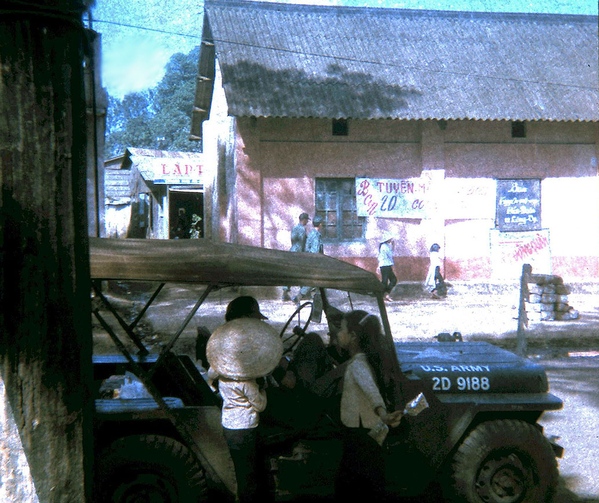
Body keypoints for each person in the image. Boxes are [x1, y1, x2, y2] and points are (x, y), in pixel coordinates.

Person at [334, 310, 403, 503]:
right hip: (364, 431)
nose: (338, 334)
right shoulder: (366, 360)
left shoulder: (358, 365)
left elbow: (371, 392)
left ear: (353, 336)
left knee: (353, 485)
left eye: (342, 329)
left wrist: (383, 414)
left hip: (359, 433)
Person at [295, 215, 324, 303]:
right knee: (313, 280)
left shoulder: (312, 233)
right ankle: (298, 297)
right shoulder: (316, 235)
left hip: (311, 259)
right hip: (314, 261)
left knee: (316, 281)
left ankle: (316, 298)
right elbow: (315, 250)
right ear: (320, 224)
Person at [282, 212, 310, 301]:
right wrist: (303, 254)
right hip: (298, 253)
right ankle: (303, 293)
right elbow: (302, 242)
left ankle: (285, 293)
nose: (307, 222)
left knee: (290, 272)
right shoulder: (302, 229)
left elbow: (293, 240)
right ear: (304, 220)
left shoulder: (294, 228)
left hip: (292, 251)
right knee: (302, 272)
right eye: (307, 220)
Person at [378, 233, 397, 301]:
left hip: (385, 265)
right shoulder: (385, 246)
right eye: (390, 239)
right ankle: (385, 294)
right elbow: (391, 255)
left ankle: (385, 294)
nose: (391, 240)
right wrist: (393, 246)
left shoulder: (384, 246)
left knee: (386, 281)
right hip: (385, 265)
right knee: (390, 280)